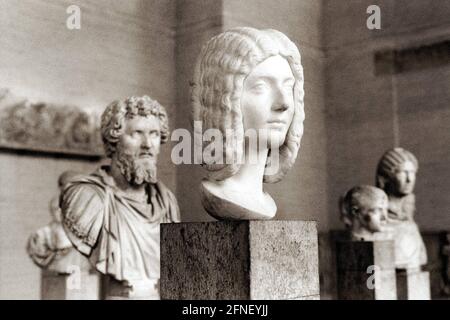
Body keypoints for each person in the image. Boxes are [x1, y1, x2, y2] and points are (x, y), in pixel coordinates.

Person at [60, 96, 180, 299]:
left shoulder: (166, 201)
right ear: (113, 141)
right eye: (137, 133)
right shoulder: (87, 198)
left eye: (154, 134)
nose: (148, 145)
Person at [191, 27, 304, 220]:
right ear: (222, 100)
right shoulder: (220, 196)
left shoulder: (265, 202)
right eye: (261, 87)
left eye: (288, 86)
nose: (283, 103)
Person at [376, 147, 427, 269]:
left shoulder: (410, 225)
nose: (409, 179)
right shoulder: (377, 225)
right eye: (402, 172)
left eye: (412, 173)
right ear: (385, 177)